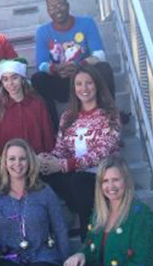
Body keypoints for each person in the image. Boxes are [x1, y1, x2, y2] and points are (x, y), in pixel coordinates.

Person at [57, 155, 153, 266]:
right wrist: (81, 254)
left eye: (115, 180)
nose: (110, 186)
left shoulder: (141, 216)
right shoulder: (100, 212)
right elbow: (91, 247)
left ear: (125, 181)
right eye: (105, 181)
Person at [38, 64, 121, 237]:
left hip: (102, 173)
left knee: (79, 181)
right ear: (73, 88)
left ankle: (88, 235)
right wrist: (48, 160)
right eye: (79, 84)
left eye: (89, 83)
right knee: (42, 171)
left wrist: (63, 165)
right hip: (75, 173)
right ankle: (80, 211)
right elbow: (61, 149)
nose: (84, 88)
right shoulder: (68, 117)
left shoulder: (109, 114)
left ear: (96, 85)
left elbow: (102, 152)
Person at [0, 139, 70, 266]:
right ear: (5, 162)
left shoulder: (45, 191)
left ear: (29, 162)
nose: (18, 163)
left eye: (22, 158)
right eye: (12, 159)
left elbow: (60, 228)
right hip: (7, 255)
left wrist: (66, 261)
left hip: (43, 254)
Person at [30, 0, 119, 130]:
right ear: (48, 11)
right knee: (38, 79)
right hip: (62, 80)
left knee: (104, 68)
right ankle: (53, 131)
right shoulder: (42, 31)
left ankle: (110, 124)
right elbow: (40, 64)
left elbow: (99, 54)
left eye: (60, 5)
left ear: (68, 5)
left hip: (86, 78)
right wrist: (55, 69)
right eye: (52, 7)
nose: (57, 10)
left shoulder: (87, 23)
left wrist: (80, 65)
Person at [0, 59, 55, 184]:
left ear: (22, 78)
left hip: (35, 165)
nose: (10, 83)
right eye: (5, 79)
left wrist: (49, 161)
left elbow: (47, 134)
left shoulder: (37, 103)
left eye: (14, 78)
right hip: (10, 169)